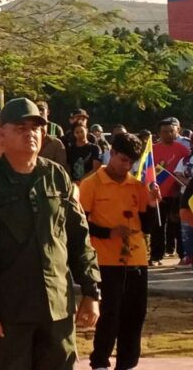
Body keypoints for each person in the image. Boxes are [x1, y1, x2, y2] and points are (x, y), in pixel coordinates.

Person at [0, 98, 100, 370]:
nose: (30, 134)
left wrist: (91, 291)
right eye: (21, 128)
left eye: (35, 128)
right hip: (8, 312)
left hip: (56, 308)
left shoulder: (57, 176)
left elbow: (79, 239)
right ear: (2, 133)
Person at [79, 132, 161, 370]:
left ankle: (127, 363)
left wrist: (153, 204)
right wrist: (108, 232)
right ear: (112, 153)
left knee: (135, 315)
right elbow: (79, 224)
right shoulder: (91, 184)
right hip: (105, 260)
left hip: (136, 259)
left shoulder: (137, 185)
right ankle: (100, 361)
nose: (127, 166)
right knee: (109, 314)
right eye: (123, 159)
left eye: (131, 162)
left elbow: (148, 227)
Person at [150, 116, 190, 264]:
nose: (168, 134)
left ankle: (182, 255)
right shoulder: (152, 150)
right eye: (165, 132)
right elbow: (148, 172)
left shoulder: (183, 150)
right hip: (157, 194)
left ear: (176, 131)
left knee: (178, 226)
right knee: (157, 226)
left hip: (177, 194)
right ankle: (156, 256)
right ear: (159, 133)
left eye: (171, 131)